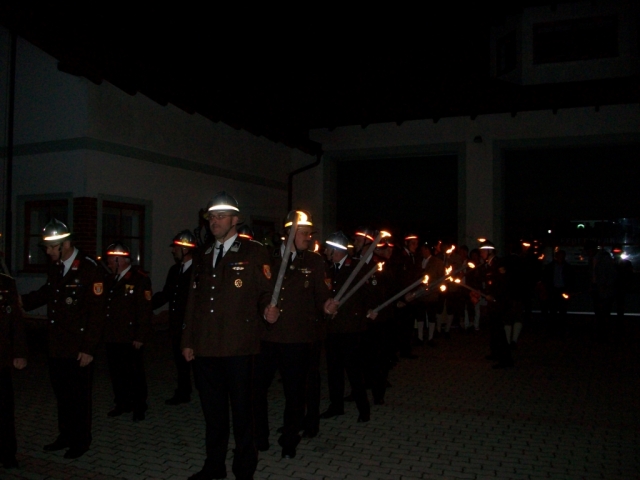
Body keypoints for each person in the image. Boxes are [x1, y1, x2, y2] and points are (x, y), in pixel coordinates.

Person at [181, 191, 278, 480]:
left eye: (221, 216)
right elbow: (193, 302)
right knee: (213, 413)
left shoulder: (253, 251)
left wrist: (268, 310)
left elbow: (265, 292)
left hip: (239, 346)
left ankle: (244, 467)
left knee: (242, 412)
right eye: (211, 217)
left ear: (235, 220)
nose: (214, 221)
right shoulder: (203, 255)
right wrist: (187, 341)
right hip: (206, 347)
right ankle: (214, 465)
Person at [20, 219, 105, 459]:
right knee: (62, 395)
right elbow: (49, 292)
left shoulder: (89, 268)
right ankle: (65, 435)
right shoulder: (57, 266)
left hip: (79, 347)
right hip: (57, 344)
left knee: (79, 397)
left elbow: (97, 313)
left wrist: (89, 348)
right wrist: (21, 301)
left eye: (50, 247)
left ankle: (81, 441)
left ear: (65, 244)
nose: (47, 252)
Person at [253, 210, 334, 459]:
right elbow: (260, 291)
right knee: (256, 389)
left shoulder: (314, 261)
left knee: (295, 393)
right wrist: (265, 308)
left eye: (310, 233)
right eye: (303, 233)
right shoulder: (267, 258)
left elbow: (321, 295)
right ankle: (260, 436)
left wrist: (326, 306)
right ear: (288, 234)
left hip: (297, 339)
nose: (309, 237)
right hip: (268, 337)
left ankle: (290, 439)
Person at [320, 231, 372, 423]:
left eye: (329, 249)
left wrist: (365, 311)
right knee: (334, 371)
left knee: (354, 371)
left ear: (337, 251)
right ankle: (336, 406)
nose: (326, 252)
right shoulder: (328, 268)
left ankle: (363, 409)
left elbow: (366, 294)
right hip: (332, 329)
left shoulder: (355, 267)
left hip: (351, 329)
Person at [103, 242, 152, 421]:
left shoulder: (139, 279)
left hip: (130, 337)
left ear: (120, 260)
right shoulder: (110, 279)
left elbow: (144, 310)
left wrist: (140, 336)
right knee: (117, 373)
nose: (108, 263)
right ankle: (122, 402)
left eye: (111, 260)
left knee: (134, 373)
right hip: (113, 335)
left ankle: (139, 406)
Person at [152, 230, 197, 405]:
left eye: (176, 248)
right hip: (177, 324)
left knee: (198, 362)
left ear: (185, 249)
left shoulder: (198, 271)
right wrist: (145, 304)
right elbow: (166, 294)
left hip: (192, 326)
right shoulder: (174, 270)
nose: (173, 251)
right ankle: (183, 391)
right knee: (180, 361)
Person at [0, 272, 27, 469]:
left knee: (4, 410)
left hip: (1, 359)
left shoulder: (6, 283)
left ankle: (7, 453)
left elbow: (16, 321)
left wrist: (20, 353)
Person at [479, 240, 514, 369]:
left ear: (490, 251)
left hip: (499, 302)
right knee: (493, 329)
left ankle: (506, 359)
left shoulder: (498, 264)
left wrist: (494, 296)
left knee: (499, 331)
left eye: (483, 251)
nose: (481, 253)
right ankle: (495, 353)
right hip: (492, 302)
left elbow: (503, 284)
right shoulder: (488, 264)